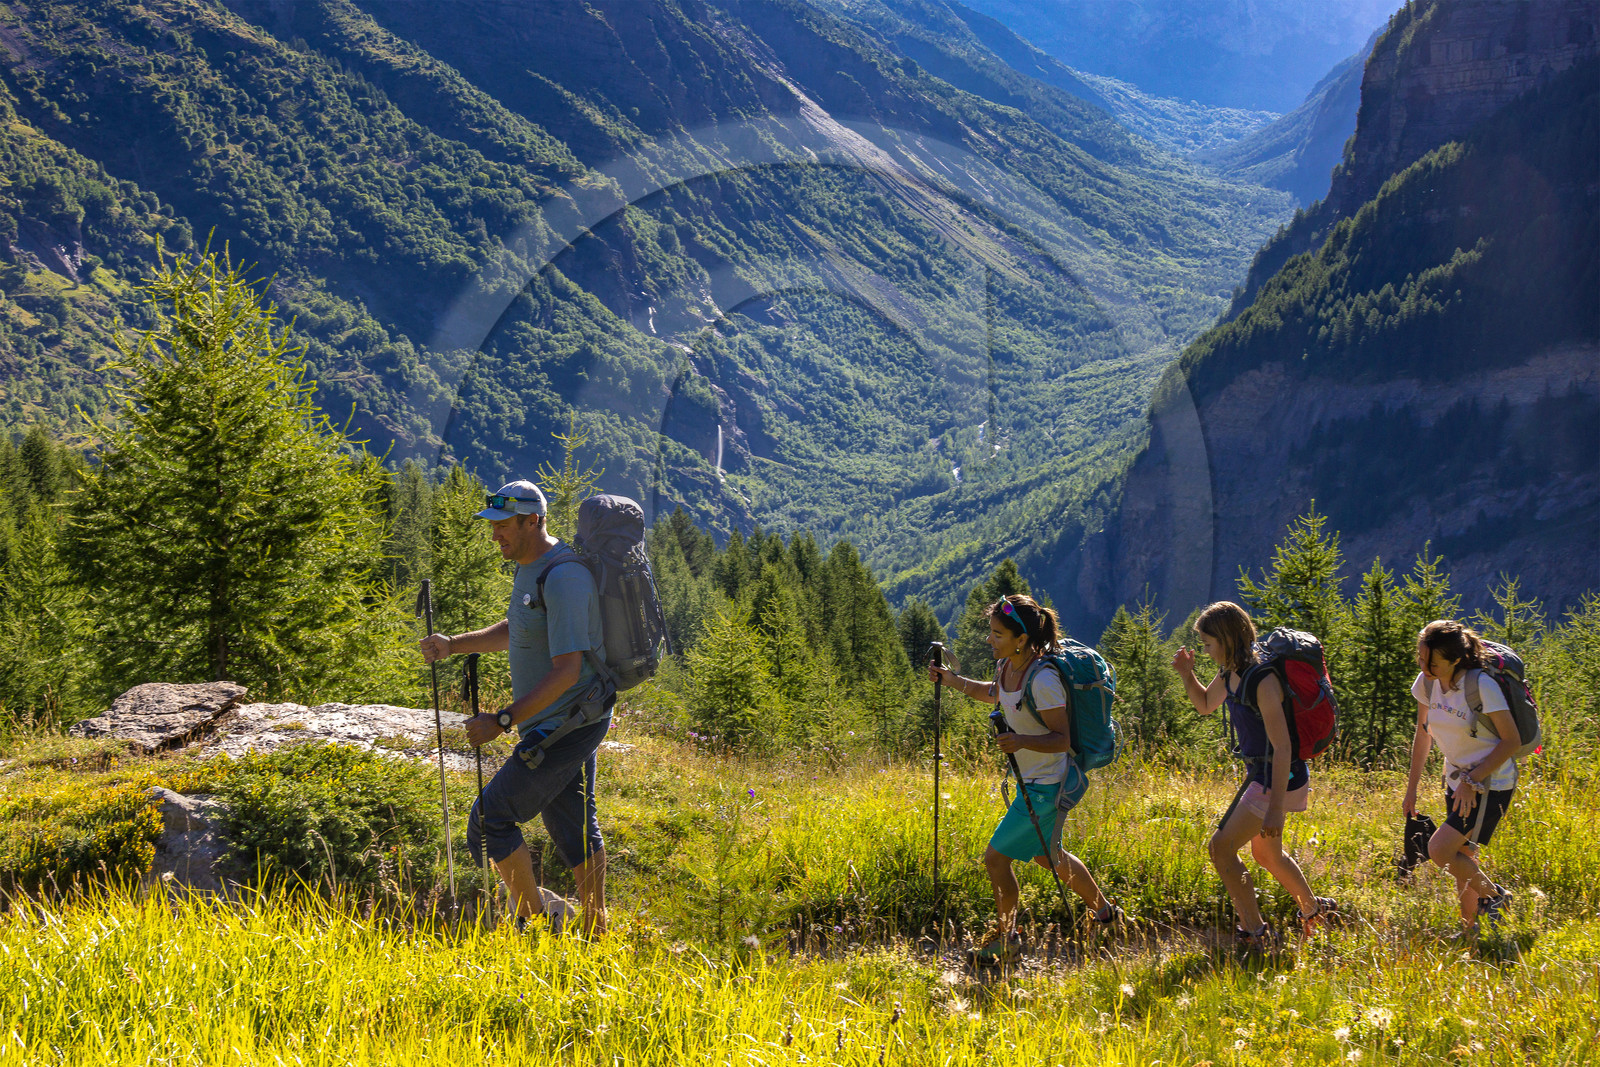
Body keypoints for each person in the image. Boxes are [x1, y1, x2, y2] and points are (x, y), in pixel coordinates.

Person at [419, 479, 611, 936]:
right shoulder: (531, 567)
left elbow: (567, 670)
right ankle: (597, 929)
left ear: (533, 521)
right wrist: (454, 645)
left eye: (504, 526)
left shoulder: (564, 577)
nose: (495, 535)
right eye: (492, 526)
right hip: (565, 720)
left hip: (566, 724)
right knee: (574, 826)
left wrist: (503, 720)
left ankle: (532, 925)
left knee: (490, 819)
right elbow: (519, 625)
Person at [930, 594, 1120, 966]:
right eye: (991, 632)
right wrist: (952, 681)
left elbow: (1061, 740)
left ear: (1021, 639)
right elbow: (993, 693)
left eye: (998, 634)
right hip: (1032, 781)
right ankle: (1107, 914)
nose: (990, 640)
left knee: (996, 859)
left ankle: (1007, 937)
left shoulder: (1044, 678)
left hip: (1048, 786)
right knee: (1047, 855)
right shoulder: (1008, 667)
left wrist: (1019, 741)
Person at [1171, 601, 1334, 950]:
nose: (1205, 650)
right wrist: (1187, 674)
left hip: (1277, 777)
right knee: (1267, 855)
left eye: (1208, 644)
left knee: (1221, 849)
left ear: (1227, 639)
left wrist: (1275, 808)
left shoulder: (1262, 678)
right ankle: (1313, 910)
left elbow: (1283, 746)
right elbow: (1204, 705)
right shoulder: (1230, 670)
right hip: (1264, 774)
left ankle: (1255, 932)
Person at [1402, 619, 1517, 938]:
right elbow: (1423, 735)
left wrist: (1473, 779)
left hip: (1490, 783)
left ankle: (1496, 897)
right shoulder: (1426, 683)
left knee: (1439, 850)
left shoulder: (1481, 686)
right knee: (1462, 855)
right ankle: (1470, 931)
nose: (1425, 667)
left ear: (1454, 660)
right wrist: (1411, 790)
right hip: (1456, 782)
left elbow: (1511, 740)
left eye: (1432, 662)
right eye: (1421, 659)